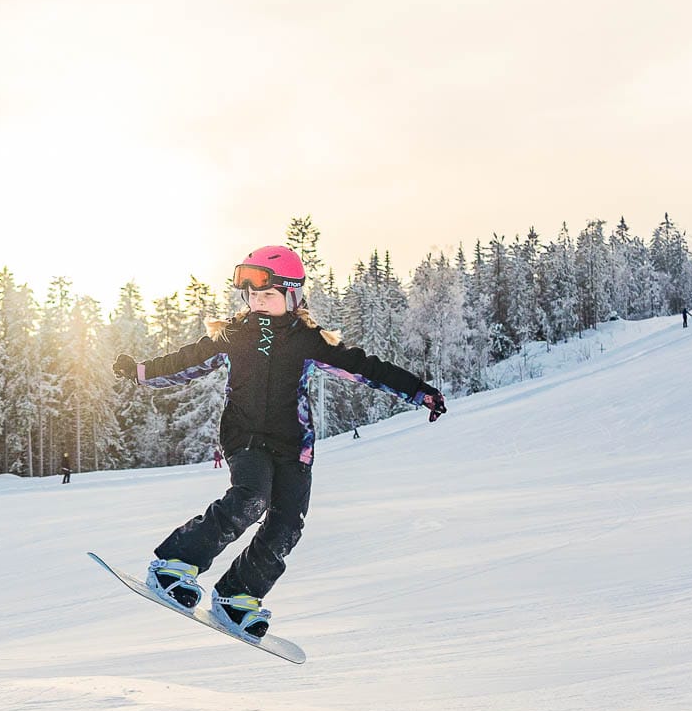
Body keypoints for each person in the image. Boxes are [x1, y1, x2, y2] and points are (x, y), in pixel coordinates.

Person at [113, 244, 446, 639]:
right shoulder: (233, 336)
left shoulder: (310, 342)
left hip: (294, 448)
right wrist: (141, 372)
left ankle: (238, 595)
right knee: (250, 498)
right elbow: (187, 362)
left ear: (293, 297)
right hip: (246, 438)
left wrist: (417, 391)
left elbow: (365, 368)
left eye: (268, 295)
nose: (258, 302)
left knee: (288, 524)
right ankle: (176, 562)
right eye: (252, 295)